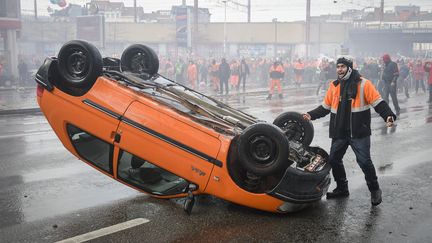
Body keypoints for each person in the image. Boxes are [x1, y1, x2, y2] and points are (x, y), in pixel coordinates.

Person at [303, 56, 396, 206]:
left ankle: (375, 190)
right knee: (334, 159)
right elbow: (325, 108)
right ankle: (342, 188)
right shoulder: (334, 86)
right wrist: (310, 115)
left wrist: (389, 116)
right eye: (338, 67)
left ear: (349, 68)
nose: (339, 69)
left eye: (343, 67)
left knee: (364, 162)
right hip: (340, 132)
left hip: (359, 132)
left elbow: (378, 102)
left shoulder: (364, 84)